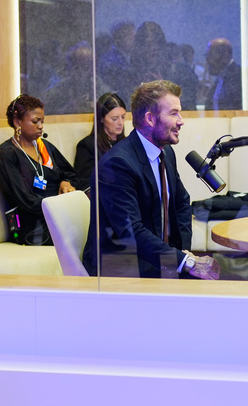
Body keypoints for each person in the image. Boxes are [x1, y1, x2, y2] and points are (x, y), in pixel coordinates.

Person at [81, 80, 219, 280]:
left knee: (226, 280)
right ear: (150, 119)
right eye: (173, 113)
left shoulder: (167, 152)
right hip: (122, 266)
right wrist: (185, 262)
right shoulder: (118, 164)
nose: (181, 121)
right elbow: (132, 232)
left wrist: (183, 253)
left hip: (156, 259)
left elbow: (181, 203)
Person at [0, 95, 77, 246]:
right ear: (17, 122)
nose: (41, 126)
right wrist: (60, 206)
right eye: (35, 121)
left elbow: (71, 174)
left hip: (59, 215)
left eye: (42, 121)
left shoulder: (43, 146)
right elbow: (26, 201)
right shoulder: (6, 155)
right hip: (33, 226)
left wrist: (66, 182)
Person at [74, 92, 127, 190]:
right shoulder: (87, 146)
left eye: (123, 117)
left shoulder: (128, 143)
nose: (120, 123)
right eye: (114, 118)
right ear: (101, 119)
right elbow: (84, 184)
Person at [202, 38, 242, 112]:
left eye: (210, 54)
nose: (207, 59)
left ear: (225, 55)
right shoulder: (221, 78)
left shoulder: (239, 77)